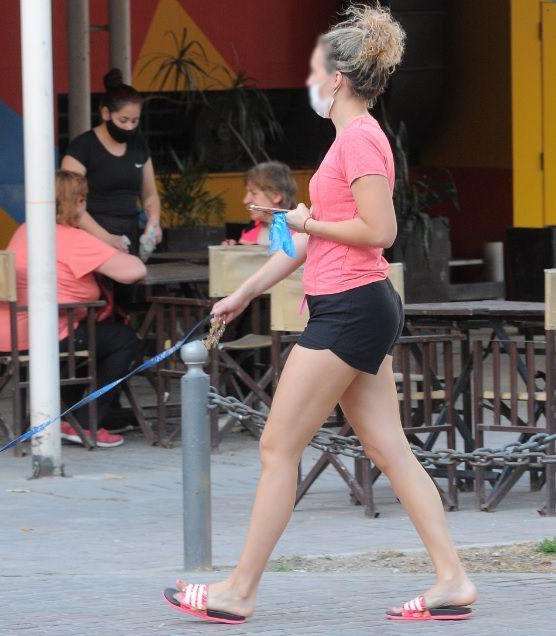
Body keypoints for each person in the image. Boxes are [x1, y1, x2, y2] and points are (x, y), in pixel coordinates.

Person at [163, 4, 476, 625]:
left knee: (278, 447)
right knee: (390, 451)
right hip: (357, 306)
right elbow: (310, 242)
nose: (309, 80)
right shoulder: (351, 139)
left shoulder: (359, 139)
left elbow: (379, 231)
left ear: (338, 78)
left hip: (349, 311)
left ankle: (238, 591)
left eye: (313, 70)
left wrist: (310, 221)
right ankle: (454, 580)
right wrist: (245, 292)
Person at [0, 170, 146, 448]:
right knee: (124, 339)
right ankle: (85, 422)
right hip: (39, 338)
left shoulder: (25, 230)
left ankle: (76, 415)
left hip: (2, 334)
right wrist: (93, 232)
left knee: (90, 336)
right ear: (79, 202)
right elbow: (134, 271)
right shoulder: (72, 238)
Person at [61, 69, 162, 310]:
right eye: (123, 121)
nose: (129, 127)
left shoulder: (138, 145)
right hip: (91, 235)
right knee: (101, 302)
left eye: (135, 122)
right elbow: (69, 203)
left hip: (129, 234)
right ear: (106, 113)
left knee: (130, 303)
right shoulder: (82, 148)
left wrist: (153, 223)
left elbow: (149, 194)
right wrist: (106, 238)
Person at [222, 161, 297, 247]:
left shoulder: (302, 232)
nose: (245, 200)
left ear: (276, 196)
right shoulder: (251, 227)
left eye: (253, 193)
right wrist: (235, 249)